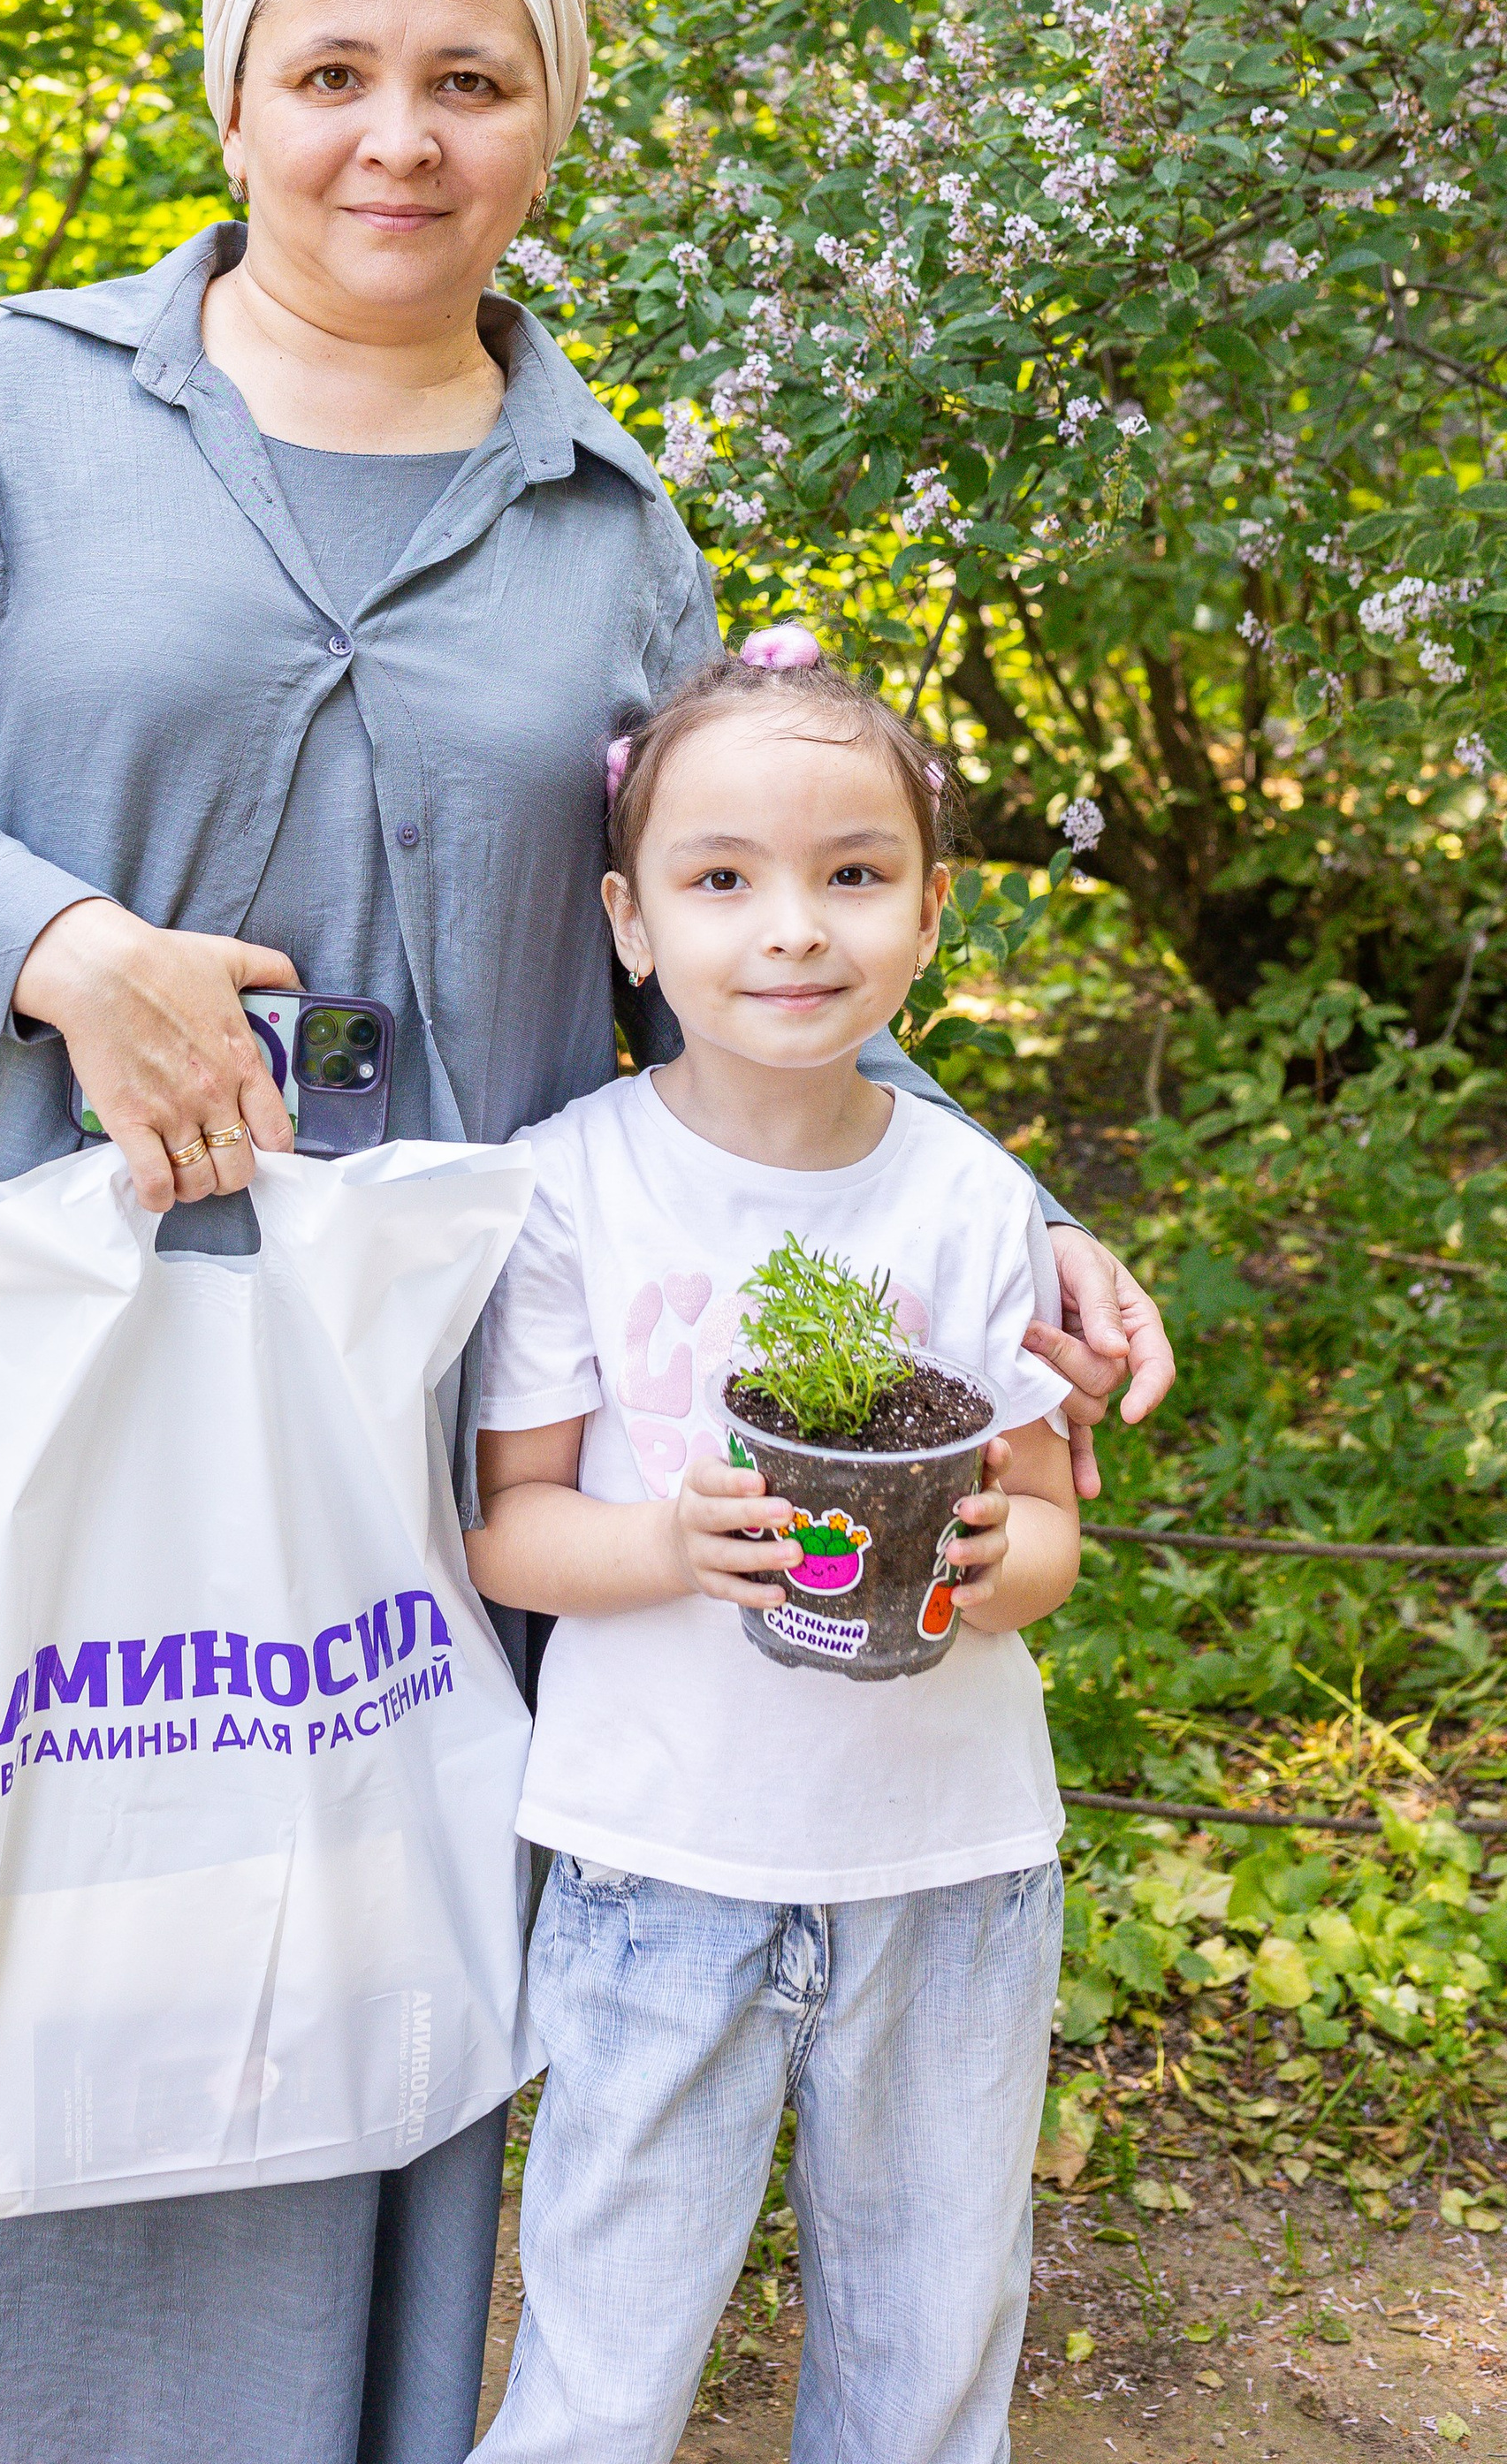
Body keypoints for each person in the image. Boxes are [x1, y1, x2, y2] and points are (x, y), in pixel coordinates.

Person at [0, 0, 1168, 2464]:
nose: (394, 138)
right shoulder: (12, 403)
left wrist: (1013, 1221)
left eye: (469, 78)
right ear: (235, 103)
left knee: (337, 1936)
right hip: (1, 1373)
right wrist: (66, 948)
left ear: (549, 126)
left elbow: (742, 951)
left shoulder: (613, 533)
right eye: (333, 74)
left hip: (395, 1424)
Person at [467, 644, 1086, 2464]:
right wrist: (669, 1539)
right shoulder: (568, 1185)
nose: (790, 930)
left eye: (852, 874)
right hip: (656, 1863)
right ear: (628, 922)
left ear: (925, 913)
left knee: (926, 2338)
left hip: (950, 1867)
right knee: (604, 2347)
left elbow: (1045, 1519)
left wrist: (991, 1555)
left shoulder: (972, 1198)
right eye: (719, 878)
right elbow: (510, 1531)